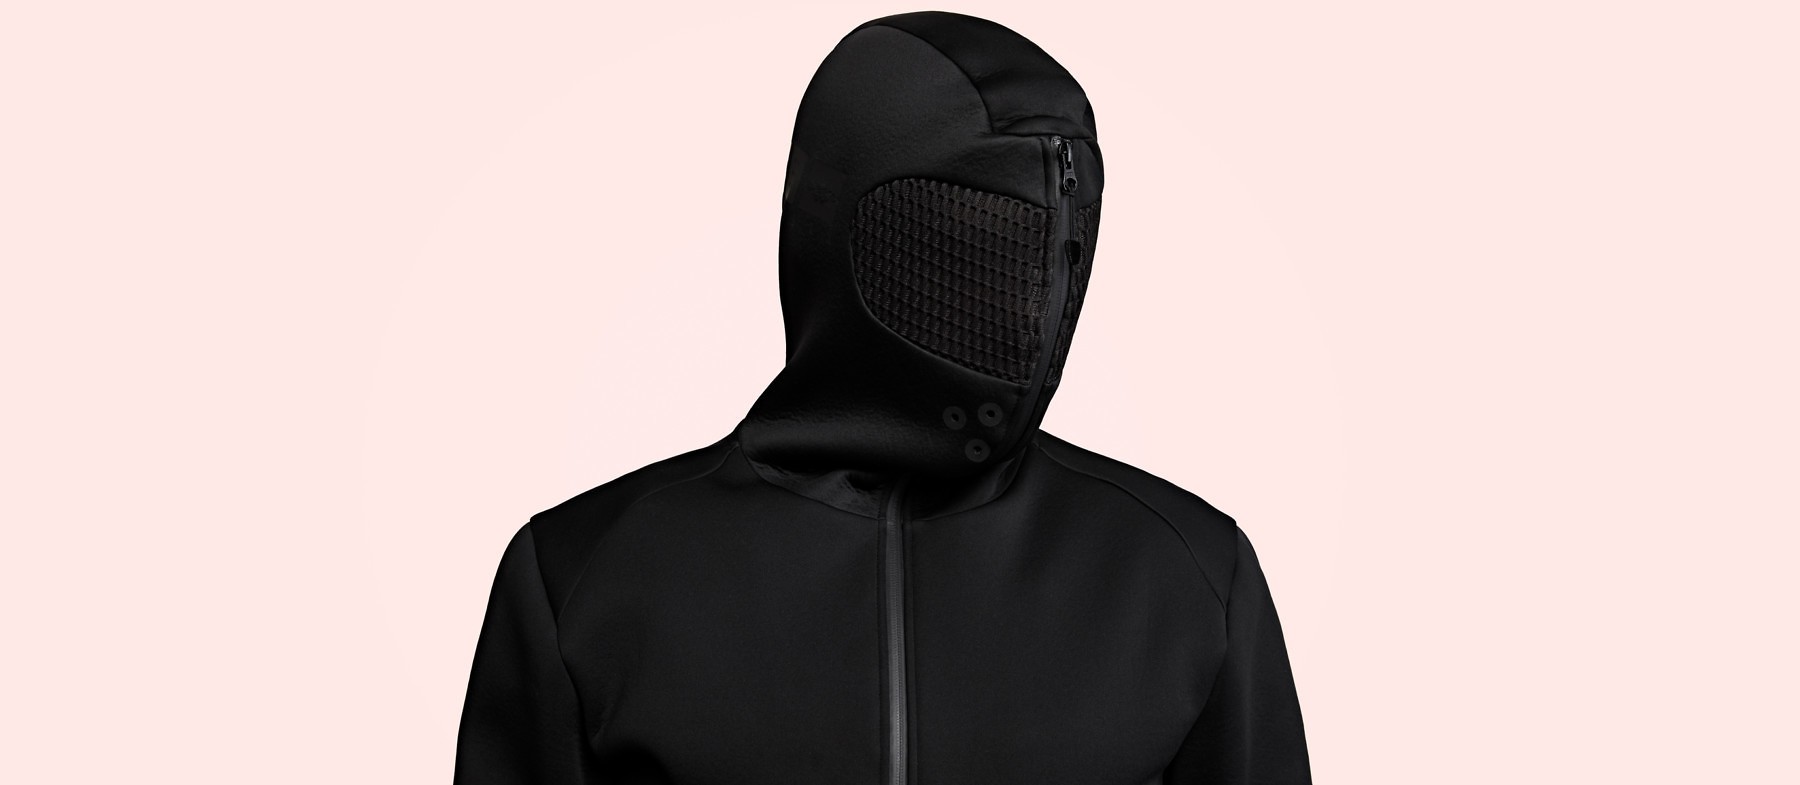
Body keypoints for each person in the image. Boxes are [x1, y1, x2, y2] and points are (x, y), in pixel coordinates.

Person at [453, 10, 1312, 784]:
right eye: (978, 235)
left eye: (1058, 245)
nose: (1033, 297)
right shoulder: (585, 578)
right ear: (840, 228)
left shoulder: (1185, 579)